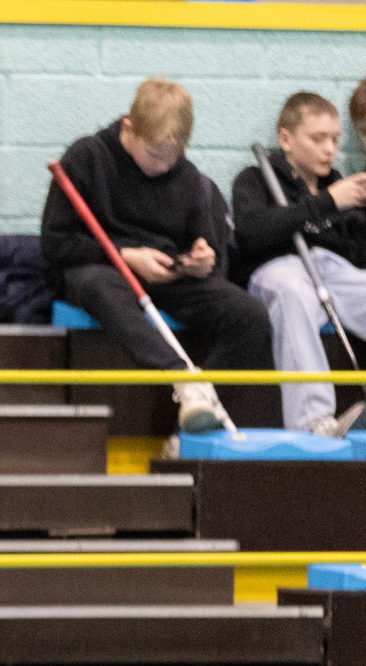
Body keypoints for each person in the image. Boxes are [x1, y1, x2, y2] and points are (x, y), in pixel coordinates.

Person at [42, 78, 275, 432]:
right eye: (153, 154)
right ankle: (182, 377)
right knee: (96, 284)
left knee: (249, 315)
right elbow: (56, 243)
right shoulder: (87, 157)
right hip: (103, 267)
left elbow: (204, 247)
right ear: (128, 128)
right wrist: (127, 256)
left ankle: (197, 419)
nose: (164, 166)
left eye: (173, 157)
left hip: (168, 275)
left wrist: (200, 262)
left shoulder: (187, 175)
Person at [232, 92, 366, 436]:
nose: (329, 149)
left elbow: (355, 255)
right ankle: (312, 423)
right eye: (317, 139)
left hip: (331, 269)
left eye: (334, 139)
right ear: (286, 140)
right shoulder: (256, 178)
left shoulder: (339, 186)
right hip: (279, 268)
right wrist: (327, 203)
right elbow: (251, 233)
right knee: (293, 292)